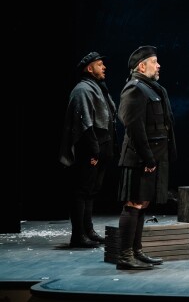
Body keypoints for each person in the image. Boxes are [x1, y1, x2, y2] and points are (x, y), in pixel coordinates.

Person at [115, 45, 178, 270]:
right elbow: (134, 128)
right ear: (142, 66)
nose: (158, 65)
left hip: (152, 158)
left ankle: (136, 250)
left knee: (142, 205)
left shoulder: (152, 88)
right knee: (133, 204)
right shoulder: (135, 89)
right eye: (154, 61)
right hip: (138, 159)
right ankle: (124, 255)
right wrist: (148, 158)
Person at [59, 51, 117, 248]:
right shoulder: (83, 90)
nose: (104, 68)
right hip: (89, 151)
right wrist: (93, 152)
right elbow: (84, 123)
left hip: (100, 150)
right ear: (89, 68)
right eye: (100, 64)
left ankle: (88, 230)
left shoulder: (98, 88)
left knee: (91, 191)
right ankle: (78, 235)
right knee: (81, 191)